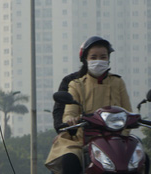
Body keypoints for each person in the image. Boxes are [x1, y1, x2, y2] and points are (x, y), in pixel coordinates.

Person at [45, 36, 132, 174]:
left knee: (142, 157)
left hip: (116, 139)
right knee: (69, 159)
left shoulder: (118, 83)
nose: (99, 61)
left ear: (108, 59)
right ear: (85, 60)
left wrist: (127, 128)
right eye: (93, 57)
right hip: (81, 139)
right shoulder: (76, 84)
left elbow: (128, 112)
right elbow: (69, 113)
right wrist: (70, 121)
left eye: (103, 57)